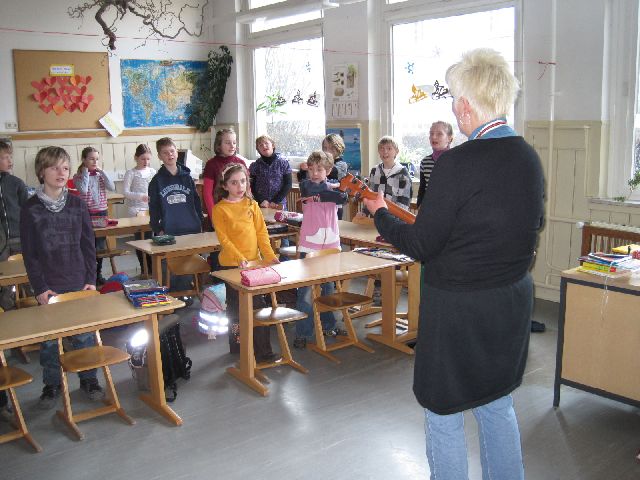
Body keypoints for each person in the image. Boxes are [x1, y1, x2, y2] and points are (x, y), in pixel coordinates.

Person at [363, 48, 544, 480]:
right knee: (496, 402)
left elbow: (422, 243)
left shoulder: (456, 163)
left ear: (464, 105)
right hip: (510, 301)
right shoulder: (528, 158)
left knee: (442, 409)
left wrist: (381, 213)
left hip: (459, 308)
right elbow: (527, 227)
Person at [20, 146, 105, 409]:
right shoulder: (30, 209)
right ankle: (52, 383)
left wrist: (91, 279)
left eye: (65, 168)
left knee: (84, 336)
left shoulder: (78, 204)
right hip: (49, 285)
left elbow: (88, 245)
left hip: (79, 281)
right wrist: (40, 288)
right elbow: (30, 254)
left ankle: (89, 379)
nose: (61, 173)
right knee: (49, 342)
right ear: (41, 171)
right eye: (54, 167)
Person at [210, 163, 280, 362]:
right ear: (225, 185)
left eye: (243, 181)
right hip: (231, 266)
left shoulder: (252, 205)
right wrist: (240, 258)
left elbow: (261, 233)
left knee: (258, 306)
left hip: (254, 264)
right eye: (234, 182)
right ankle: (237, 345)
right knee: (235, 308)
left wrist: (269, 256)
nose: (240, 186)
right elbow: (224, 239)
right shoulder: (220, 209)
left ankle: (263, 352)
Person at [293, 150, 348, 349]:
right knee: (306, 293)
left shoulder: (333, 189)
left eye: (320, 169)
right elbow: (325, 193)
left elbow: (342, 199)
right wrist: (340, 192)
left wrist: (341, 192)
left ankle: (328, 325)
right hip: (310, 246)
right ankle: (303, 332)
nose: (315, 173)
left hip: (331, 244)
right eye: (311, 169)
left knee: (328, 289)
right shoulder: (306, 186)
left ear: (329, 170)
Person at [148, 137, 203, 300]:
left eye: (172, 151)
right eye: (165, 153)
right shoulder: (156, 181)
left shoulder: (187, 177)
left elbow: (196, 201)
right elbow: (154, 208)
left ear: (177, 152)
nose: (170, 155)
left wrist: (199, 220)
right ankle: (173, 297)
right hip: (170, 230)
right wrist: (157, 228)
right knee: (171, 266)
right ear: (160, 156)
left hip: (191, 228)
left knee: (189, 263)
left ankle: (186, 293)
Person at [73, 146, 115, 285]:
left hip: (101, 212)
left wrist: (102, 172)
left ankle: (98, 274)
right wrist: (85, 173)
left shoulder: (100, 175)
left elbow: (112, 187)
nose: (95, 162)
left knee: (100, 246)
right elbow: (83, 190)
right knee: (88, 246)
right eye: (91, 159)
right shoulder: (78, 176)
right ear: (84, 160)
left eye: (97, 159)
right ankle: (88, 276)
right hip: (87, 214)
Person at [122, 144, 156, 272]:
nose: (145, 162)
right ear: (136, 158)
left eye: (148, 159)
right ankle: (144, 268)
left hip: (151, 210)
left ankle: (152, 268)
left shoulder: (152, 172)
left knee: (151, 239)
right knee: (140, 240)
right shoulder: (131, 173)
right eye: (143, 159)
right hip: (136, 210)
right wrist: (140, 196)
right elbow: (125, 192)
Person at [202, 128, 247, 220]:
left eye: (234, 142)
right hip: (220, 212)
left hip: (240, 211)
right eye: (227, 143)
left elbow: (247, 189)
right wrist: (213, 216)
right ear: (219, 145)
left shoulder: (241, 162)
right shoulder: (211, 164)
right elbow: (207, 193)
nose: (232, 146)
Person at [416, 121, 453, 208]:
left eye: (439, 134)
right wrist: (420, 205)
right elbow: (422, 188)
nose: (434, 137)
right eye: (431, 133)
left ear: (449, 138)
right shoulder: (425, 162)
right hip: (430, 208)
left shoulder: (456, 160)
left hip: (450, 208)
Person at [249, 134, 292, 210]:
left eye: (266, 143)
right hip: (261, 204)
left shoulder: (283, 163)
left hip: (279, 203)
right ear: (258, 150)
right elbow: (251, 186)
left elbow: (288, 184)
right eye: (260, 145)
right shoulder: (255, 165)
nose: (264, 146)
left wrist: (275, 201)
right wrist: (261, 201)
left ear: (272, 145)